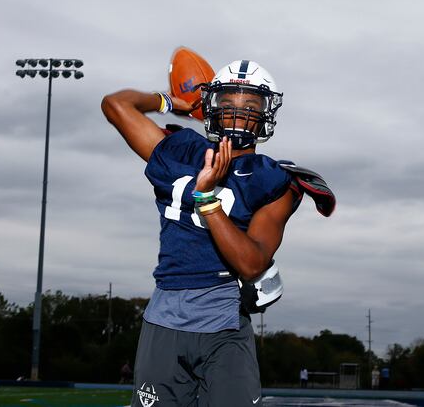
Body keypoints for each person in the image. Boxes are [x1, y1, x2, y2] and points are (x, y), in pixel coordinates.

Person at [102, 59, 334, 406]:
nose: (238, 114)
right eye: (227, 104)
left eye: (250, 106)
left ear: (266, 113)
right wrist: (168, 101)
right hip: (164, 316)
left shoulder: (276, 179)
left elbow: (252, 263)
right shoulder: (179, 149)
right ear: (211, 107)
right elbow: (116, 104)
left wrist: (207, 198)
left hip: (223, 321)